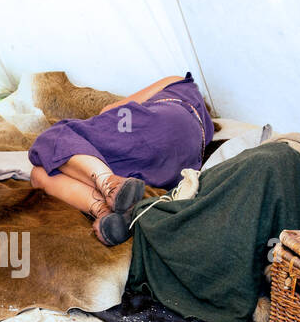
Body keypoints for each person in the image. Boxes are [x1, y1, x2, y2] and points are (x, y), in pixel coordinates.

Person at [28, 72, 214, 246]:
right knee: (40, 175)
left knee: (55, 137)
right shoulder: (205, 130)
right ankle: (108, 215)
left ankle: (109, 185)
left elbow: (109, 109)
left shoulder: (178, 82)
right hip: (174, 168)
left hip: (161, 121)